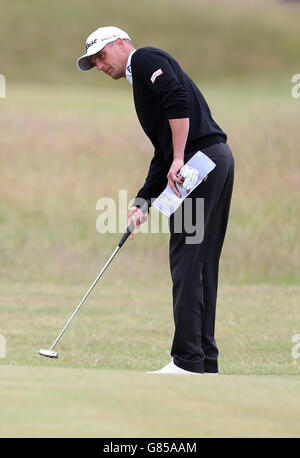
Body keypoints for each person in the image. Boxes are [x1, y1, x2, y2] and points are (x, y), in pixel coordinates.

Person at [77, 26, 234, 375]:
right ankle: (204, 362)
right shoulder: (139, 83)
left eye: (101, 56)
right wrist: (142, 202)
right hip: (214, 160)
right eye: (94, 62)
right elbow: (161, 153)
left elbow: (177, 101)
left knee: (187, 260)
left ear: (121, 44)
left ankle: (188, 361)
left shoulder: (145, 58)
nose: (100, 65)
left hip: (197, 164)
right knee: (201, 262)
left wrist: (180, 157)